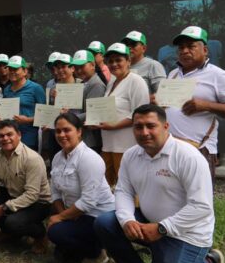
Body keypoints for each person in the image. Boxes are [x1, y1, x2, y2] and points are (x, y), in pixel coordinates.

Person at [94, 104, 225, 263]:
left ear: (166, 126)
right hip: (150, 224)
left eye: (151, 126)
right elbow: (123, 191)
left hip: (186, 234)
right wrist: (128, 220)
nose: (144, 132)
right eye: (138, 127)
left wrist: (163, 228)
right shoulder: (131, 155)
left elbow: (202, 207)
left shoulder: (188, 157)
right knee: (106, 222)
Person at [163, 26, 225, 181]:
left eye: (191, 46)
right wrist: (159, 101)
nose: (185, 51)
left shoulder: (218, 75)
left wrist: (207, 105)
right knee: (170, 198)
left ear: (205, 50)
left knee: (198, 201)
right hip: (169, 148)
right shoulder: (173, 74)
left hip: (199, 150)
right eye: (181, 47)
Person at [47, 113, 114, 263]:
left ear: (79, 131)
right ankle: (84, 246)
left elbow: (88, 202)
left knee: (56, 232)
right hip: (74, 213)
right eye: (58, 131)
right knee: (61, 249)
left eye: (67, 130)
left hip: (97, 215)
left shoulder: (90, 158)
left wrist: (60, 218)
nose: (62, 135)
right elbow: (55, 191)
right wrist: (63, 215)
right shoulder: (57, 157)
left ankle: (98, 253)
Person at [0, 120, 51, 254]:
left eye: (9, 134)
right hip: (14, 195)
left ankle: (40, 234)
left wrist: (4, 207)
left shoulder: (32, 158)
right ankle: (10, 234)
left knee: (12, 222)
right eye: (1, 136)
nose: (5, 138)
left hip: (38, 203)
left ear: (19, 135)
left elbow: (32, 195)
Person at [98, 43, 150, 186]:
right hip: (108, 144)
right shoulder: (112, 82)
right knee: (108, 186)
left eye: (118, 60)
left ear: (128, 61)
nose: (114, 64)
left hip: (126, 146)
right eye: (110, 61)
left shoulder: (136, 81)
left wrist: (114, 125)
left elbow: (140, 113)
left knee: (127, 187)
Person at [2, 56, 46, 151]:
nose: (12, 72)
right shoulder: (6, 90)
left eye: (16, 69)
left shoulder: (36, 88)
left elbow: (44, 116)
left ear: (25, 71)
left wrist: (28, 120)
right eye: (10, 69)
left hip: (29, 135)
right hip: (10, 136)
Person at [70, 50, 106, 154]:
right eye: (76, 68)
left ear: (92, 65)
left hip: (91, 140)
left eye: (82, 66)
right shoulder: (83, 83)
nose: (79, 70)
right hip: (83, 137)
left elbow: (93, 112)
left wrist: (69, 119)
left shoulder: (96, 84)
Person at [121, 30, 166, 103]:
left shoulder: (153, 65)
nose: (129, 47)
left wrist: (144, 99)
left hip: (144, 112)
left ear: (144, 48)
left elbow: (163, 94)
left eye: (133, 44)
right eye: (126, 44)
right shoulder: (121, 67)